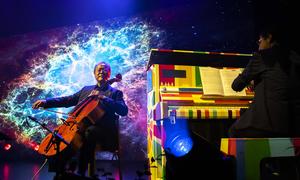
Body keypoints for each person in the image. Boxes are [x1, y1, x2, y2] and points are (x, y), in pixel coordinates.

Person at [32, 61, 128, 177]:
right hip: (81, 129)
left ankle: (81, 172)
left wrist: (104, 98)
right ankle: (59, 172)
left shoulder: (115, 93)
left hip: (104, 132)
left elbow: (123, 110)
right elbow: (68, 100)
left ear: (109, 74)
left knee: (90, 132)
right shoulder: (86, 90)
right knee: (62, 138)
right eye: (99, 69)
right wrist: (46, 102)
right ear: (94, 73)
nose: (101, 71)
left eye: (105, 70)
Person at [228, 27, 291, 138]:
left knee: (233, 131)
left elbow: (236, 86)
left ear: (269, 38)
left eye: (260, 41)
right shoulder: (294, 57)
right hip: (291, 125)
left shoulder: (262, 57)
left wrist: (249, 80)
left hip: (267, 124)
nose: (259, 45)